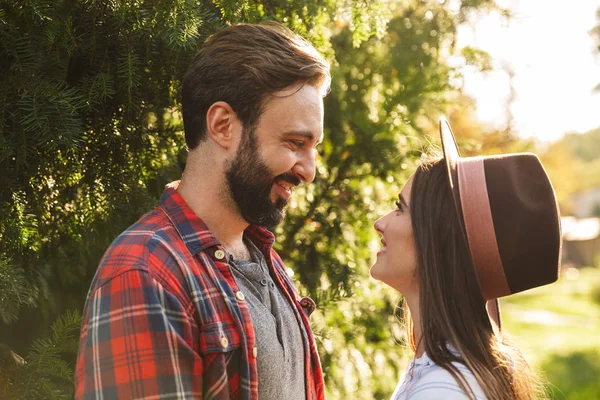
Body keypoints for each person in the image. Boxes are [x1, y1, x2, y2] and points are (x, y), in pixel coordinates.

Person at [75, 22, 330, 400]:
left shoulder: (265, 261)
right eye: (295, 142)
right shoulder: (146, 273)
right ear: (223, 125)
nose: (309, 171)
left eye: (315, 147)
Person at [371, 117, 561, 400]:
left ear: (436, 238)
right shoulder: (446, 372)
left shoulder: (442, 390)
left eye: (400, 208)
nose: (380, 222)